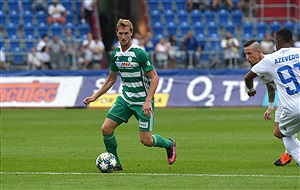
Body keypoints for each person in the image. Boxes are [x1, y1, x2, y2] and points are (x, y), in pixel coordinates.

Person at [83, 19, 177, 170]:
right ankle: (116, 164)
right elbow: (111, 79)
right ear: (117, 34)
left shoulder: (139, 53)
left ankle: (169, 144)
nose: (123, 37)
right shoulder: (116, 54)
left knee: (146, 140)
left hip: (142, 102)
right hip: (126, 99)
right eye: (120, 33)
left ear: (131, 33)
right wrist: (95, 96)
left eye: (126, 33)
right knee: (106, 128)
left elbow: (155, 77)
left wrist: (148, 101)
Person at [244, 28, 300, 166]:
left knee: (282, 131)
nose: (247, 57)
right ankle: (289, 152)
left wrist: (250, 89)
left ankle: (291, 153)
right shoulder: (263, 68)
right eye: (245, 54)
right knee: (279, 131)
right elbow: (270, 87)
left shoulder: (270, 61)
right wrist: (270, 107)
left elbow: (248, 78)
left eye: (249, 54)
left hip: (290, 99)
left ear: (259, 52)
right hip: (284, 98)